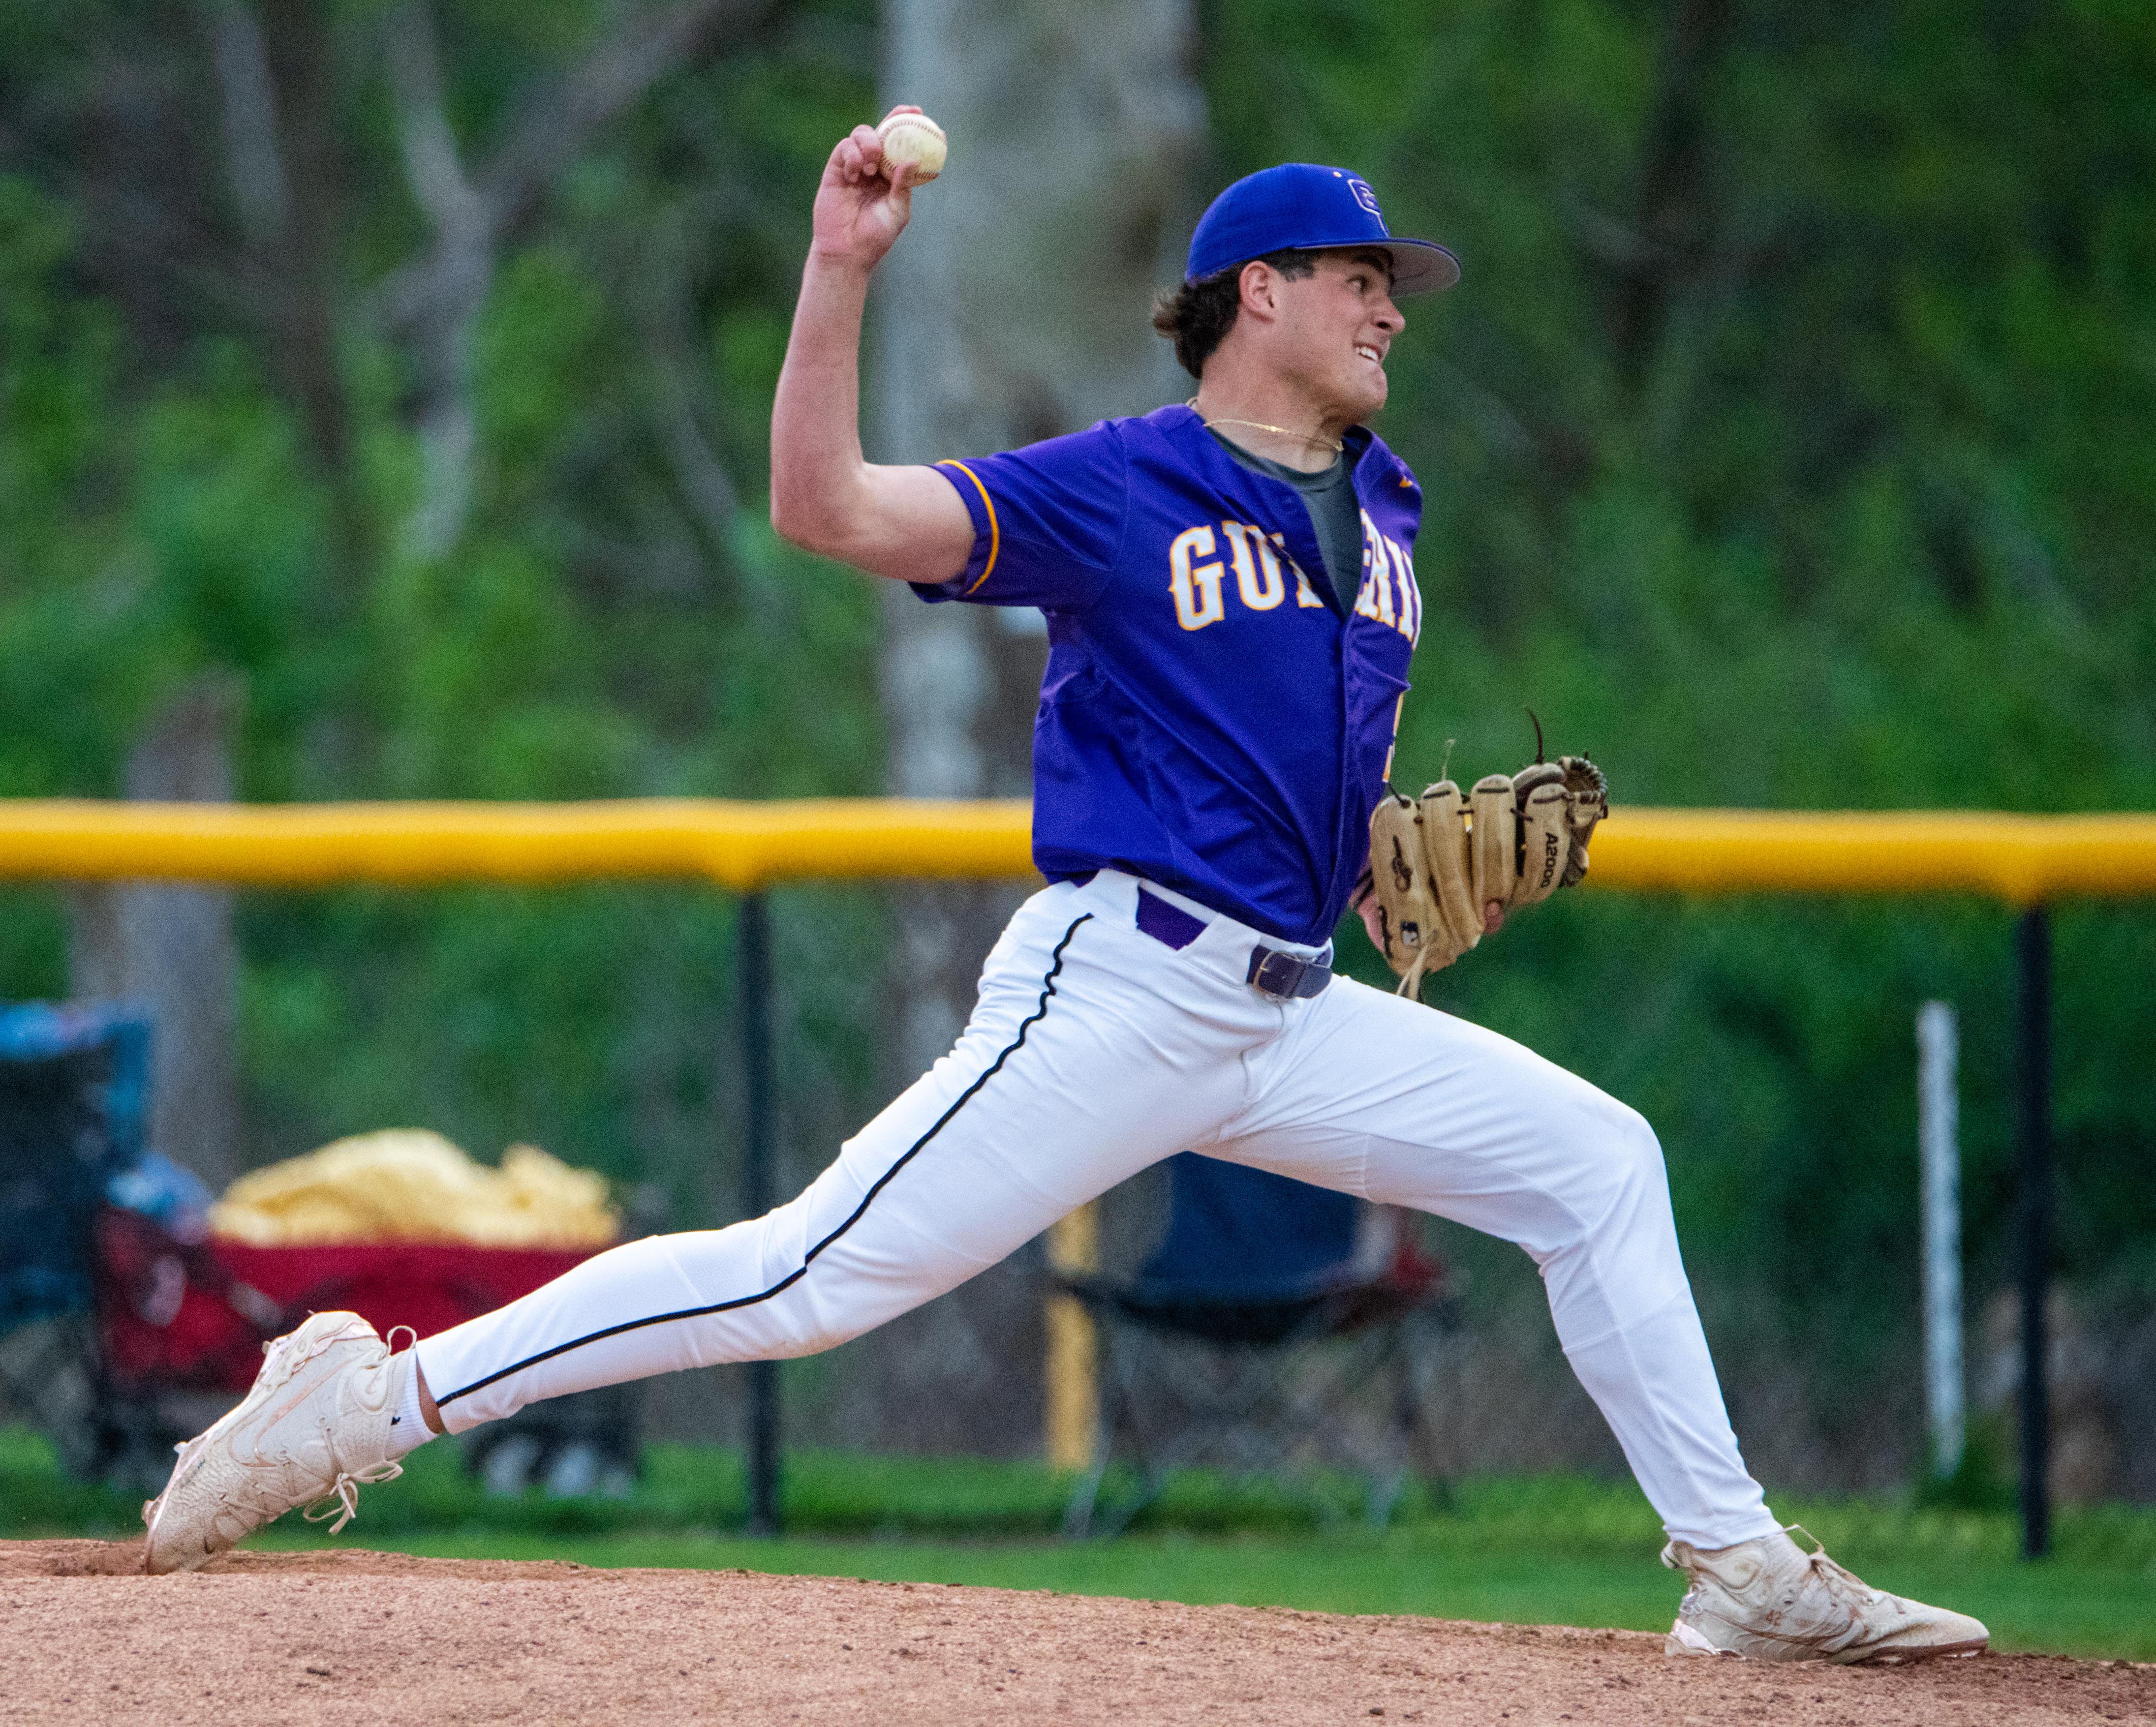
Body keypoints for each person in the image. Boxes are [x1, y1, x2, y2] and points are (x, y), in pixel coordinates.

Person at [142, 112, 1988, 1665]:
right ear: (1257, 293)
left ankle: (1736, 1571)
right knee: (806, 1278)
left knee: (1600, 1164)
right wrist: (840, 269)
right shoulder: (1124, 486)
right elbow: (826, 511)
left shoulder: (1391, 513)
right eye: (1361, 282)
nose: (1387, 315)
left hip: (1290, 1007)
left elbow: (1286, 777)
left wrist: (1374, 866)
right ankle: (371, 1402)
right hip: (1119, 995)